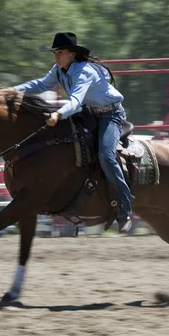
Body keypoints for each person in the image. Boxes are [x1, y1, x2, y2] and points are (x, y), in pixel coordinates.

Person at [12, 32, 133, 233]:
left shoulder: (84, 71)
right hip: (88, 113)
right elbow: (40, 85)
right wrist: (10, 91)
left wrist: (58, 115)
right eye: (55, 53)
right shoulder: (59, 70)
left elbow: (75, 101)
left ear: (71, 54)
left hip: (109, 115)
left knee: (106, 155)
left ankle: (126, 207)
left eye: (59, 53)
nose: (56, 57)